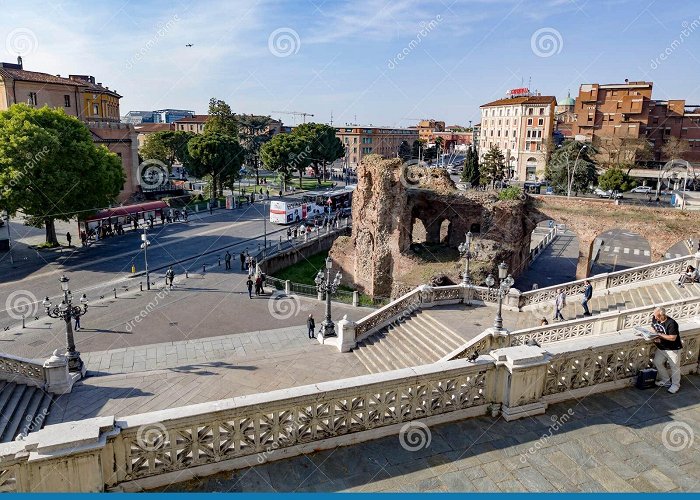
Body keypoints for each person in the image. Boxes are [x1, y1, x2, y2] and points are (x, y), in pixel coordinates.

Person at [651, 307, 682, 394]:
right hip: (661, 348)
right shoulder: (654, 318)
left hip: (673, 349)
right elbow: (652, 327)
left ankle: (676, 385)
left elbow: (673, 337)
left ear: (662, 315)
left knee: (674, 367)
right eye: (654, 316)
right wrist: (653, 335)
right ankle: (666, 381)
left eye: (657, 316)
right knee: (657, 362)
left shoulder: (671, 323)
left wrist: (659, 335)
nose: (655, 318)